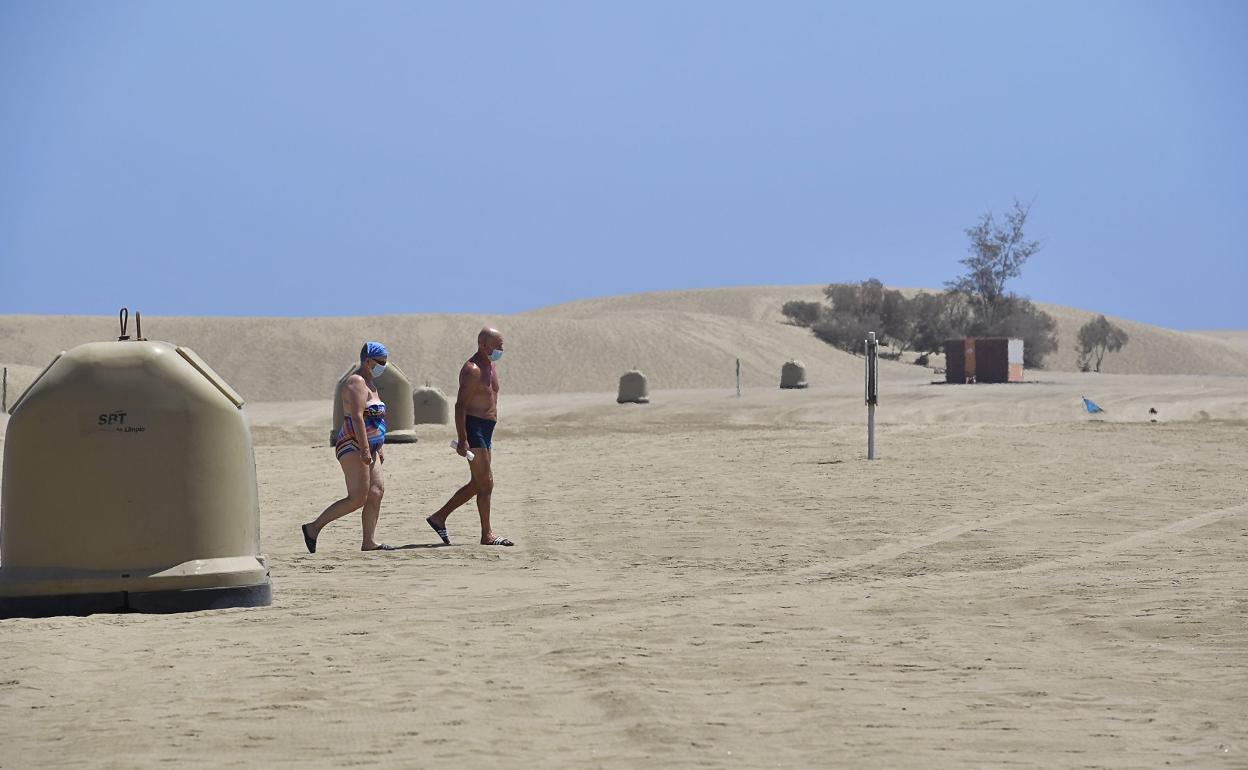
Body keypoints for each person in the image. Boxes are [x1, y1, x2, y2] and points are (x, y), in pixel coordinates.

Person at [302, 342, 395, 552]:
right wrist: (363, 448)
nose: (383, 366)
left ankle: (369, 541)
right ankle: (313, 528)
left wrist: (379, 446)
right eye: (380, 361)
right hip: (353, 444)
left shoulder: (371, 383)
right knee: (357, 497)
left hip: (371, 447)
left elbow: (377, 417)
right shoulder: (356, 382)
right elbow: (357, 417)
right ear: (368, 360)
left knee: (376, 491)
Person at [426, 327, 514, 546]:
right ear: (484, 345)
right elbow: (460, 406)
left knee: (479, 483)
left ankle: (439, 517)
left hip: (487, 429)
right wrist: (462, 438)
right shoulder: (471, 369)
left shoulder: (491, 366)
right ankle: (487, 535)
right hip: (474, 427)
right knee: (487, 483)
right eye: (498, 346)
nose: (501, 350)